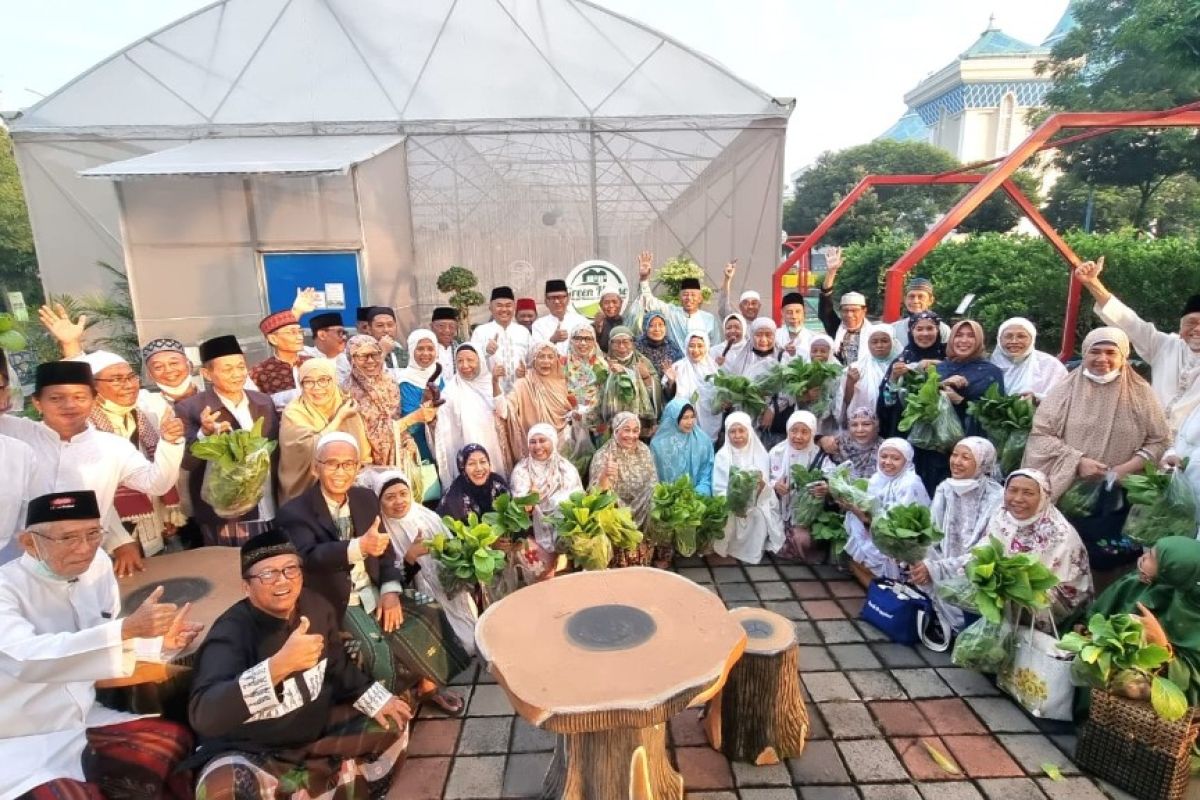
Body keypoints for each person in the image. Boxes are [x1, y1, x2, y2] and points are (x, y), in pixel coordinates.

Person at [0, 490, 200, 799]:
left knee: (173, 743)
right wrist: (127, 630)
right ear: (29, 543)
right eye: (68, 538)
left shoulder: (97, 568)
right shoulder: (5, 589)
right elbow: (26, 659)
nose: (85, 549)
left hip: (84, 721)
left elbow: (100, 637)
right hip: (19, 737)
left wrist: (157, 643)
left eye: (93, 534)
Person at [187, 529, 411, 800]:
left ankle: (321, 787)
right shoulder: (231, 633)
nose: (282, 581)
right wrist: (277, 668)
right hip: (252, 749)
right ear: (246, 587)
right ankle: (320, 786)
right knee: (221, 788)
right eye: (267, 574)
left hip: (314, 733)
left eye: (290, 569)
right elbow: (204, 714)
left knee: (393, 720)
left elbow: (337, 666)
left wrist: (374, 697)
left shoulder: (316, 607)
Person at [279, 434, 467, 709]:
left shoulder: (364, 498)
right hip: (338, 599)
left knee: (430, 612)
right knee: (374, 645)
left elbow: (387, 554)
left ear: (357, 469)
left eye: (348, 464)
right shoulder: (295, 511)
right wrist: (359, 546)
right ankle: (390, 704)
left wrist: (390, 592)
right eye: (332, 464)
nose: (340, 472)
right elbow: (308, 557)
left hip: (375, 588)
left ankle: (428, 684)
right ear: (315, 467)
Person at [1, 360, 185, 575]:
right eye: (55, 398)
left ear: (94, 400)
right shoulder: (16, 433)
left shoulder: (112, 446)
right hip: (19, 561)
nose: (69, 405)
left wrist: (171, 443)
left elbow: (157, 484)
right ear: (38, 403)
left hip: (86, 561)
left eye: (79, 397)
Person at [1024, 327, 1169, 574]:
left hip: (1120, 495)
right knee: (1062, 558)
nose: (1102, 359)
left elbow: (1160, 439)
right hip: (1071, 492)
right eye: (1095, 352)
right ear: (1085, 353)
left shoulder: (1141, 393)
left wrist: (1127, 467)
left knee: (1108, 560)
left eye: (1111, 352)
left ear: (1123, 356)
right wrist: (1078, 461)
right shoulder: (1065, 389)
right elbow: (1041, 434)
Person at [79, 349, 186, 557]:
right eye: (117, 380)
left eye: (131, 377)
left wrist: (164, 513)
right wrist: (118, 542)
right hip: (109, 533)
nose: (128, 385)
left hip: (150, 521)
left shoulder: (144, 415)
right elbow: (94, 491)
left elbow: (153, 474)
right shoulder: (85, 427)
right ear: (93, 386)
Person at [1077, 256, 1200, 434]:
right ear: (1180, 327)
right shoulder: (1165, 346)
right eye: (1191, 322)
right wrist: (1092, 282)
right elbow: (1127, 321)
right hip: (1153, 438)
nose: (1197, 329)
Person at [176, 335, 280, 547]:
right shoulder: (190, 408)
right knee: (232, 568)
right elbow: (187, 463)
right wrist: (205, 434)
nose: (237, 374)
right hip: (225, 512)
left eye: (241, 367)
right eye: (227, 369)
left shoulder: (263, 401)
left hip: (269, 500)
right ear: (207, 373)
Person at [1082, 537, 1200, 708]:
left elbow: (1194, 681)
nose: (1144, 557)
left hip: (1159, 716)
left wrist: (1162, 646)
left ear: (1173, 570)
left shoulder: (1192, 612)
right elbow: (1099, 614)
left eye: (1152, 557)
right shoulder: (1145, 584)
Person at [376, 472, 479, 654]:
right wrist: (410, 557)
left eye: (403, 494)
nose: (399, 501)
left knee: (471, 642)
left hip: (448, 590)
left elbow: (452, 548)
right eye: (390, 497)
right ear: (379, 501)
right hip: (417, 603)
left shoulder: (428, 518)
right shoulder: (381, 533)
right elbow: (388, 578)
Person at [912, 437, 1004, 631]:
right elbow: (932, 531)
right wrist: (925, 562)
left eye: (965, 457)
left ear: (982, 463)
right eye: (954, 455)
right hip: (942, 561)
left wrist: (939, 568)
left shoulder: (996, 497)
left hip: (975, 567)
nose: (956, 462)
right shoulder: (945, 488)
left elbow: (987, 546)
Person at [984, 469, 1092, 623]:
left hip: (1045, 619)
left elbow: (1072, 590)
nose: (1018, 499)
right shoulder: (1000, 517)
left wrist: (1019, 590)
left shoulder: (1060, 534)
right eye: (1012, 490)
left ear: (1044, 496)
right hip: (1001, 609)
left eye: (1028, 493)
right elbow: (983, 553)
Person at [278, 358, 370, 504]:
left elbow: (362, 454)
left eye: (323, 380)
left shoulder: (346, 404)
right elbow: (310, 449)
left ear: (333, 380)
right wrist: (339, 419)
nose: (317, 387)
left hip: (350, 488)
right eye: (308, 382)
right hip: (307, 495)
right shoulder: (294, 412)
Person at [842, 438, 930, 582]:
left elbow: (897, 528)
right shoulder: (877, 479)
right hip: (877, 532)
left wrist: (861, 514)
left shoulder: (910, 484)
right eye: (883, 456)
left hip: (901, 543)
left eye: (895, 458)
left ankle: (885, 583)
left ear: (906, 461)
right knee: (855, 558)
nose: (887, 462)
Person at [343, 335, 431, 472]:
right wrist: (413, 418)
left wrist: (407, 438)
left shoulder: (389, 383)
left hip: (400, 458)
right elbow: (371, 434)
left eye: (375, 354)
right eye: (362, 356)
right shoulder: (347, 392)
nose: (370, 361)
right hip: (367, 465)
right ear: (351, 359)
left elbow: (394, 418)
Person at [509, 424, 584, 576]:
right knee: (543, 577)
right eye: (533, 441)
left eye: (543, 440)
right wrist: (531, 498)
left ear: (553, 441)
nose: (537, 446)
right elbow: (521, 511)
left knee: (571, 576)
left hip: (565, 535)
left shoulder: (565, 468)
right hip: (533, 535)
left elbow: (578, 501)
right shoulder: (522, 471)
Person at [434, 343, 509, 489]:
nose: (465, 365)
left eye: (470, 360)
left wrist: (494, 382)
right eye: (460, 361)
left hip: (493, 449)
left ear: (480, 360)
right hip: (465, 448)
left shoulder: (489, 383)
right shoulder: (450, 390)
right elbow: (442, 428)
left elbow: (503, 412)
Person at [713, 411, 783, 564]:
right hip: (730, 503)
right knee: (728, 517)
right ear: (727, 434)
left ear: (749, 431)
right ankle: (729, 548)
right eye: (732, 431)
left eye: (741, 430)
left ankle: (751, 552)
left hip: (757, 501)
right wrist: (735, 504)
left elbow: (765, 486)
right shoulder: (722, 456)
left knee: (758, 516)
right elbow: (719, 487)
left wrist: (755, 494)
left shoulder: (760, 453)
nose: (737, 435)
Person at [590, 412, 658, 564]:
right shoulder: (603, 455)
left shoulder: (644, 451)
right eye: (626, 430)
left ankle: (648, 550)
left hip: (642, 507)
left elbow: (653, 481)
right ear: (616, 430)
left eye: (635, 430)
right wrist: (605, 476)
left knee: (656, 493)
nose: (631, 435)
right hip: (616, 513)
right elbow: (595, 497)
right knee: (607, 501)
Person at [769, 410, 831, 561]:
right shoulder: (777, 452)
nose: (798, 436)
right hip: (778, 509)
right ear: (787, 431)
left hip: (805, 517)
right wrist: (775, 485)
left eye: (805, 432)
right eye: (794, 431)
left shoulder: (819, 456)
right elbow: (765, 477)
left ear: (813, 433)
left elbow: (832, 478)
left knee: (803, 541)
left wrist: (825, 487)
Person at [499, 341, 574, 458]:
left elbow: (575, 409)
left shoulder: (564, 382)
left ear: (556, 360)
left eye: (550, 357)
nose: (546, 361)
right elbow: (505, 409)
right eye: (541, 356)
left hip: (562, 444)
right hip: (536, 447)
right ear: (533, 360)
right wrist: (495, 383)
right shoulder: (524, 383)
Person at [632, 250, 719, 351]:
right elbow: (648, 301)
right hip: (676, 363)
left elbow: (715, 346)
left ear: (700, 298)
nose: (689, 298)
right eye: (685, 295)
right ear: (680, 297)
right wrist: (644, 278)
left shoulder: (709, 319)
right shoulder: (671, 313)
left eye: (693, 295)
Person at [877, 311, 946, 437]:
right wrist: (893, 378)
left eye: (930, 328)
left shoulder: (949, 356)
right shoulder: (902, 360)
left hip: (942, 432)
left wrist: (940, 365)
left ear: (938, 330)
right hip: (907, 432)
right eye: (919, 329)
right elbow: (887, 403)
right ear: (911, 332)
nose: (925, 333)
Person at [599, 326, 662, 434]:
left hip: (639, 422)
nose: (622, 346)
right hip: (612, 421)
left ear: (633, 343)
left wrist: (646, 377)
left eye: (626, 342)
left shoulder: (643, 362)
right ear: (610, 344)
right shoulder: (603, 364)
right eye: (616, 342)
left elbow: (654, 394)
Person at [989, 317, 1067, 403]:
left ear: (1032, 339)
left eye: (1021, 336)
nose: (1014, 341)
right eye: (1008, 336)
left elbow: (1064, 398)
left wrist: (1037, 398)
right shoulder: (988, 365)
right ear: (999, 339)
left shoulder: (1050, 365)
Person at [471, 286, 532, 394]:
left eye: (508, 305)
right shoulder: (480, 332)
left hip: (519, 393)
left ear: (514, 307)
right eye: (499, 305)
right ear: (490, 307)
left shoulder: (523, 332)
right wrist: (485, 351)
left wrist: (525, 371)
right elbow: (471, 363)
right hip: (489, 394)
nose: (504, 309)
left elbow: (532, 362)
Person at [396, 329, 443, 464]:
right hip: (417, 442)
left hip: (441, 440)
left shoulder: (440, 376)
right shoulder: (405, 381)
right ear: (411, 350)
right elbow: (410, 422)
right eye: (420, 349)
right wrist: (425, 403)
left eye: (430, 348)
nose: (426, 354)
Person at [817, 248, 872, 363]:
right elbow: (825, 309)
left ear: (864, 311)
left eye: (854, 310)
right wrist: (831, 273)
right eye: (845, 310)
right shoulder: (836, 328)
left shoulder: (874, 333)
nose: (849, 314)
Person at [650, 397, 715, 495]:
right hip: (668, 500)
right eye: (685, 418)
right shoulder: (658, 445)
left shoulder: (703, 441)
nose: (690, 422)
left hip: (698, 499)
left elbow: (707, 473)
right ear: (673, 418)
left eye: (692, 416)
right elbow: (654, 479)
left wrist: (697, 495)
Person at [664, 332, 721, 439]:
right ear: (686, 347)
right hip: (684, 422)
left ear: (707, 347)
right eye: (691, 346)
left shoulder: (715, 369)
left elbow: (720, 397)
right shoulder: (678, 367)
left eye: (700, 346)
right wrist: (671, 382)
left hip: (709, 420)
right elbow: (668, 397)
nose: (695, 350)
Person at [842, 325, 900, 427]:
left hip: (895, 423)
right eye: (874, 342)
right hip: (865, 428)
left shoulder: (901, 366)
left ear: (893, 342)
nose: (879, 345)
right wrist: (850, 383)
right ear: (867, 344)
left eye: (884, 341)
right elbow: (844, 403)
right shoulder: (856, 368)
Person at [250, 310, 311, 404]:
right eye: (292, 333)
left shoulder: (312, 363)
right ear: (273, 339)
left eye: (300, 332)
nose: (300, 337)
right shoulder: (259, 372)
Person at [437, 444, 511, 521]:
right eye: (471, 463)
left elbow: (511, 514)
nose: (478, 468)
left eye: (483, 462)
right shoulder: (456, 498)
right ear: (463, 468)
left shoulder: (497, 483)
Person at [563, 322, 605, 433]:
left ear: (594, 341)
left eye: (588, 339)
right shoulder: (562, 364)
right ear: (571, 340)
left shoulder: (603, 365)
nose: (583, 343)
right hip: (569, 423)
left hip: (597, 424)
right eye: (578, 338)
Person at [820, 406, 882, 479]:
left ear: (876, 426)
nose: (860, 430)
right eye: (854, 425)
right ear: (849, 428)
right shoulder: (837, 444)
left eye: (866, 424)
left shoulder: (885, 448)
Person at [889, 277, 950, 347]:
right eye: (911, 296)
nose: (915, 301)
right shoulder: (893, 329)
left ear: (930, 300)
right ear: (905, 300)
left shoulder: (943, 330)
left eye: (921, 297)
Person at [533, 279, 589, 355]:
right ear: (546, 301)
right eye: (552, 298)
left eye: (560, 297)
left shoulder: (581, 322)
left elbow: (590, 346)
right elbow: (535, 352)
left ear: (568, 298)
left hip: (577, 365)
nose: (557, 301)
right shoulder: (539, 325)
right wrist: (552, 340)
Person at [303, 311, 348, 382]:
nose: (344, 337)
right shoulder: (304, 356)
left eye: (344, 333)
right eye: (340, 332)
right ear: (322, 335)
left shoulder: (351, 358)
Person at [636, 310, 683, 378]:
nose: (657, 329)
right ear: (645, 327)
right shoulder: (636, 347)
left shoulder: (673, 349)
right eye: (652, 325)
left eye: (660, 325)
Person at [365, 306, 407, 377]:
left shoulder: (398, 348)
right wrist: (383, 351)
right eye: (380, 325)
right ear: (369, 329)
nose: (386, 330)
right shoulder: (363, 351)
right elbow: (368, 379)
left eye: (390, 325)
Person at [777, 291, 813, 362]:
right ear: (782, 313)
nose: (794, 316)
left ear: (804, 312)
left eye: (798, 312)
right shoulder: (775, 337)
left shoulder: (813, 338)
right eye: (789, 312)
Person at [593, 284, 627, 352]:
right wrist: (598, 328)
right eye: (606, 303)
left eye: (614, 302)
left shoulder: (627, 323)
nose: (611, 305)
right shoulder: (594, 326)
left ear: (621, 303)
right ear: (600, 305)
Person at [430, 306, 461, 374]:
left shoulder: (461, 349)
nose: (447, 330)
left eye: (451, 326)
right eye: (441, 326)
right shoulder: (426, 351)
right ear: (432, 326)